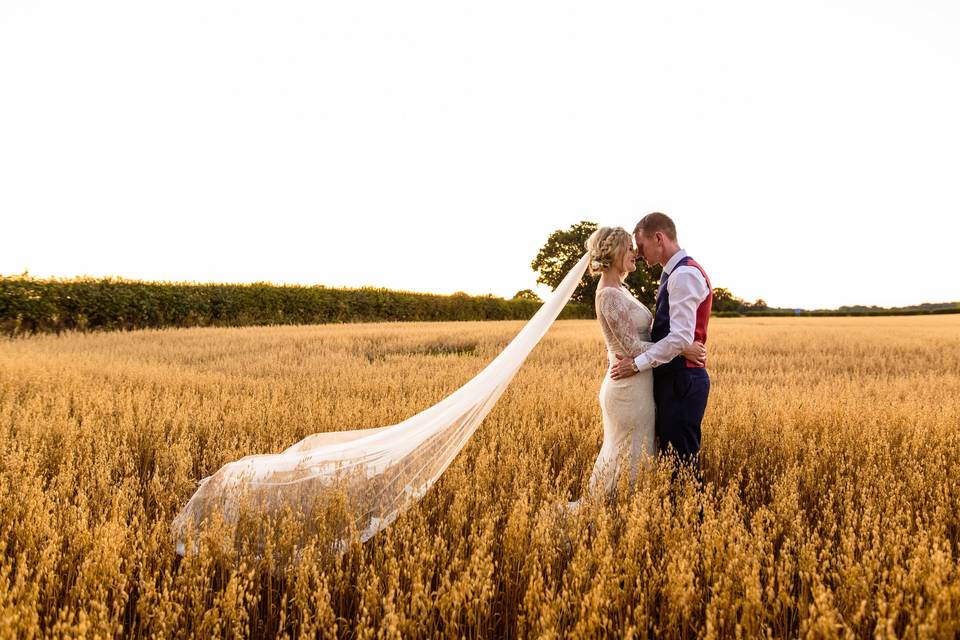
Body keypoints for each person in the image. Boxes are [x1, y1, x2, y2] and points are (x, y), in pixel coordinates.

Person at [568, 226, 705, 510]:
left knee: (635, 458)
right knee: (628, 458)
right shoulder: (608, 295)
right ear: (615, 253)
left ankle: (625, 516)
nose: (635, 254)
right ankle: (613, 518)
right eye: (630, 249)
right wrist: (683, 347)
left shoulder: (620, 288)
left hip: (638, 383)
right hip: (627, 387)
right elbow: (631, 348)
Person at [609, 213, 712, 485]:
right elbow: (678, 339)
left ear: (659, 238)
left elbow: (679, 337)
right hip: (675, 377)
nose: (638, 254)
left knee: (683, 466)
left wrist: (635, 363)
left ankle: (694, 525)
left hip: (682, 380)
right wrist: (681, 348)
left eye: (640, 246)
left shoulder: (684, 275)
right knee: (674, 462)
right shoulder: (674, 274)